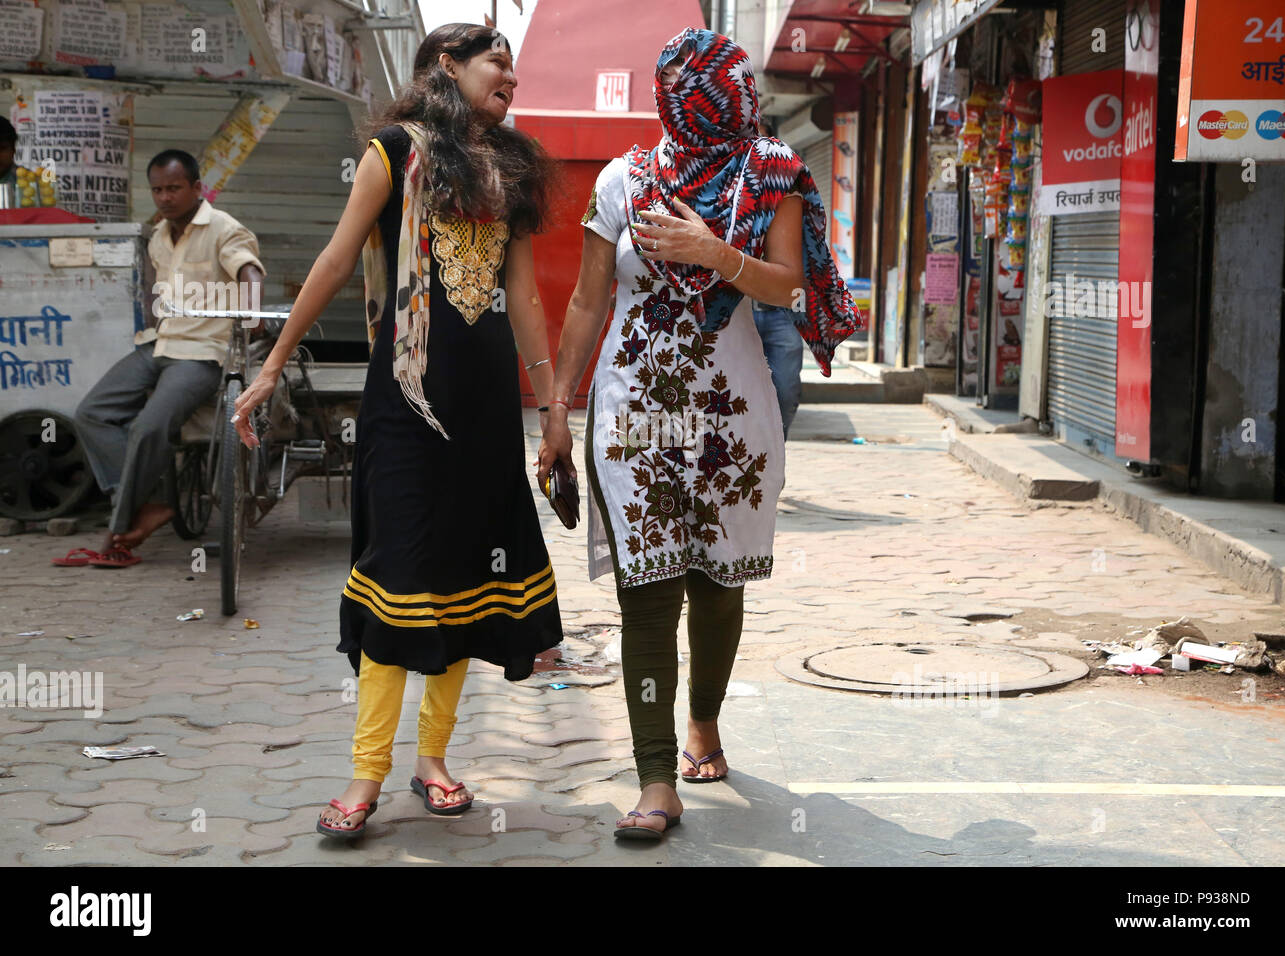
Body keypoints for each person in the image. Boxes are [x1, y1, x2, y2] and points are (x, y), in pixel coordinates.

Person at [231, 23, 563, 839]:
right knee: (399, 579)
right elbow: (336, 261)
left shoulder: (512, 168)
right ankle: (365, 772)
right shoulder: (390, 152)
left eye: (514, 63)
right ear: (446, 67)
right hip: (407, 406)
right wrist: (273, 366)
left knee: (460, 581)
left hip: (486, 411)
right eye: (498, 61)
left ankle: (434, 760)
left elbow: (522, 297)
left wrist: (553, 407)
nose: (512, 77)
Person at [539, 28, 861, 840]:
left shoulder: (773, 175)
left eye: (713, 89)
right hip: (633, 410)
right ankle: (655, 781)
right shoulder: (620, 180)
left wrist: (715, 251)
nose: (705, 104)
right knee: (646, 595)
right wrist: (555, 409)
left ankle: (704, 724)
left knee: (719, 585)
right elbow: (585, 303)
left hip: (731, 415)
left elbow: (788, 288)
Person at [55, 149, 264, 569]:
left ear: (195, 188)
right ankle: (148, 501)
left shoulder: (223, 228)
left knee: (149, 426)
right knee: (91, 413)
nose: (165, 197)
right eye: (157, 190)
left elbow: (250, 272)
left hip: (203, 353)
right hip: (161, 344)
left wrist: (253, 310)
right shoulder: (157, 236)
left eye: (173, 188)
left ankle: (119, 531)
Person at [750, 123, 805, 439]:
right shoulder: (725, 191)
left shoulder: (788, 189)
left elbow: (806, 254)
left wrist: (802, 310)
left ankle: (774, 451)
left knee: (785, 388)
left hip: (780, 312)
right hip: (736, 311)